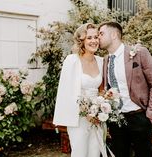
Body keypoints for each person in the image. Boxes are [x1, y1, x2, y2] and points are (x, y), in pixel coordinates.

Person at [98, 21, 152, 157]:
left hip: (139, 117)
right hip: (116, 119)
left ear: (113, 35)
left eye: (101, 33)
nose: (98, 37)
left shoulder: (139, 53)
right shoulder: (106, 60)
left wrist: (150, 114)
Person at [53, 23, 104, 157]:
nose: (94, 41)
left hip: (97, 116)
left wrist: (101, 110)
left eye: (96, 37)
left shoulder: (101, 61)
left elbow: (102, 90)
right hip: (78, 116)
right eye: (89, 38)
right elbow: (67, 92)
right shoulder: (72, 61)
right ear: (81, 41)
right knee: (80, 152)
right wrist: (86, 112)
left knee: (95, 151)